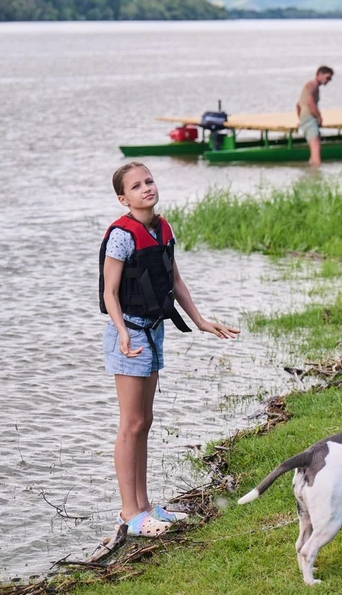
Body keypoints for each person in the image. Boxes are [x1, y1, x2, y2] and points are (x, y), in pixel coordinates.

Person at [100, 162, 240, 535]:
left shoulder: (163, 228)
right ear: (123, 198)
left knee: (144, 422)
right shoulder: (121, 236)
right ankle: (129, 514)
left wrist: (201, 321)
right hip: (129, 336)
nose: (146, 188)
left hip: (153, 333)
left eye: (149, 181)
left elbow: (174, 280)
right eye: (136, 186)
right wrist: (122, 331)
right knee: (130, 424)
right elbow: (109, 292)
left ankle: (145, 507)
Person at [296, 66, 334, 168]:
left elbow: (298, 105)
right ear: (319, 74)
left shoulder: (309, 86)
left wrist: (301, 119)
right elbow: (310, 102)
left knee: (314, 149)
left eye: (330, 79)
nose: (328, 81)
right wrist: (319, 117)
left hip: (305, 118)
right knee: (316, 148)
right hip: (310, 118)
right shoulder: (313, 85)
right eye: (328, 78)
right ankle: (316, 171)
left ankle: (312, 170)